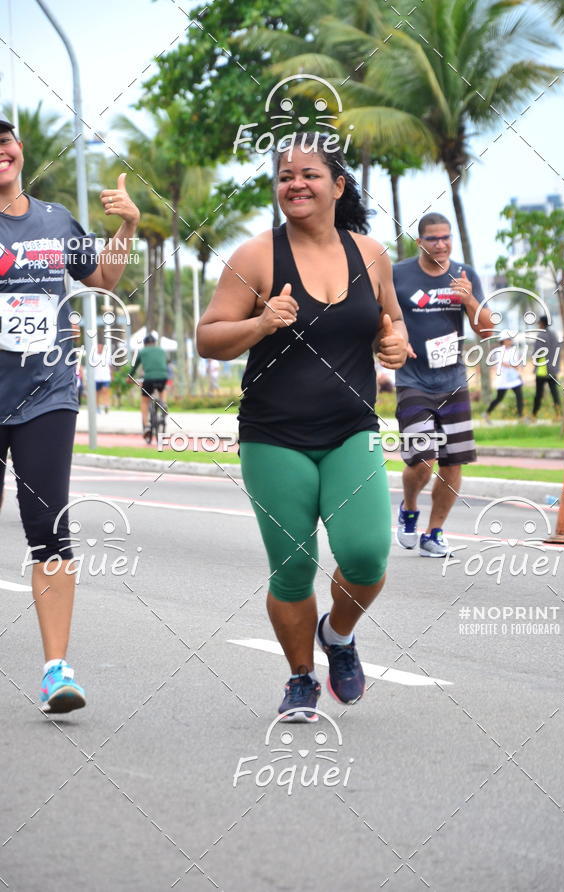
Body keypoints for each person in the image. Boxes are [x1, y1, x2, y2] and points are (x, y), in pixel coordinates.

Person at [198, 133, 411, 721]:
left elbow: (388, 320)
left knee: (366, 556)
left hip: (351, 429)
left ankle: (337, 635)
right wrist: (261, 324)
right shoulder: (256, 256)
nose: (295, 183)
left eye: (310, 174)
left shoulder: (370, 252)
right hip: (274, 436)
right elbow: (208, 336)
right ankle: (299, 678)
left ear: (337, 186)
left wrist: (393, 342)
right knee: (293, 567)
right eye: (285, 175)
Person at [0, 113, 140, 713]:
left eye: (2, 144)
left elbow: (104, 276)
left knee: (48, 529)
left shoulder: (56, 220)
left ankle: (56, 670)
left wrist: (128, 224)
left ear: (19, 149)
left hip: (46, 395)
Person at [393, 212, 494, 557]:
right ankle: (408, 509)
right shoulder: (398, 275)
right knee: (423, 459)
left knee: (452, 462)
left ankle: (434, 533)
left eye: (446, 237)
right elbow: (381, 315)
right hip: (412, 380)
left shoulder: (466, 275)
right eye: (433, 238)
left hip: (452, 381)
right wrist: (392, 338)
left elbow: (488, 330)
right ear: (419, 241)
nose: (441, 244)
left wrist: (468, 299)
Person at [130, 333, 169, 442]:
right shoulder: (161, 351)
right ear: (155, 343)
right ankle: (163, 404)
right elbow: (166, 362)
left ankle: (147, 426)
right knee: (162, 389)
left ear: (145, 344)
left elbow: (134, 367)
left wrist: (129, 377)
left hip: (149, 378)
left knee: (144, 401)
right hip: (162, 377)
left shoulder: (142, 352)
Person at [484, 331, 524, 421]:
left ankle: (520, 416)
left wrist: (517, 368)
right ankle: (487, 413)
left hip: (514, 377)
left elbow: (517, 362)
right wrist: (513, 365)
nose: (510, 341)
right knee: (499, 398)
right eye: (508, 339)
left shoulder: (514, 350)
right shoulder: (499, 351)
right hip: (504, 379)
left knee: (519, 395)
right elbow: (503, 362)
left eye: (510, 339)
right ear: (503, 340)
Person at [531, 314, 561, 420]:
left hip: (542, 369)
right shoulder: (554, 335)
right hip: (553, 369)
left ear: (542, 323)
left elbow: (536, 354)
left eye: (539, 322)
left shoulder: (540, 335)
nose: (538, 325)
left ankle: (534, 415)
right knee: (554, 393)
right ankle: (558, 415)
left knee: (538, 394)